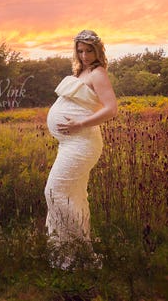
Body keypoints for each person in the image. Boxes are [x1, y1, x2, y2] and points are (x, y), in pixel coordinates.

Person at [44, 29, 118, 269]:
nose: (84, 55)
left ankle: (79, 249)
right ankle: (73, 252)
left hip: (83, 142)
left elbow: (111, 109)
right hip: (69, 143)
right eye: (80, 50)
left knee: (54, 191)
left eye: (89, 50)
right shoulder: (81, 71)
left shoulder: (98, 73)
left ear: (98, 51)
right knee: (74, 195)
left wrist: (79, 123)